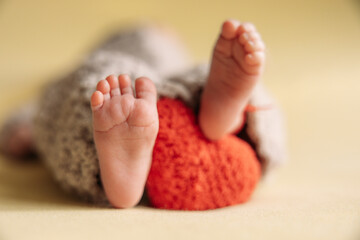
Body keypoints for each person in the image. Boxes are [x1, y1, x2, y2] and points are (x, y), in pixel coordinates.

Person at [0, 20, 286, 209]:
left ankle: (114, 170)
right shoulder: (165, 47)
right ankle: (228, 117)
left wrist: (25, 128)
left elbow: (40, 108)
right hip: (176, 90)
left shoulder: (112, 50)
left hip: (133, 74)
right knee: (187, 81)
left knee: (94, 85)